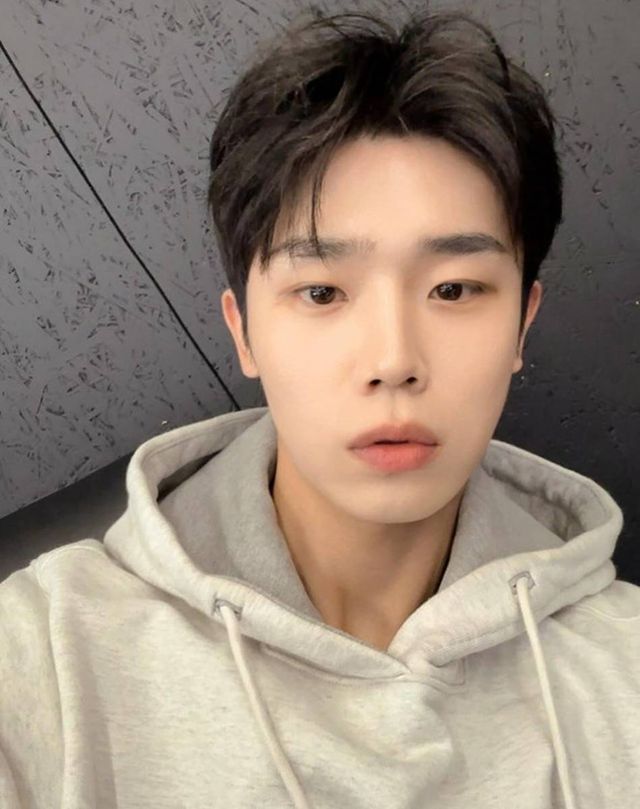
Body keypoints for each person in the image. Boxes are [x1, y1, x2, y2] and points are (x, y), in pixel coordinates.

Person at [1, 7, 638, 809]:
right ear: (244, 332)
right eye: (322, 292)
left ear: (522, 323)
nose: (393, 360)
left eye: (453, 289)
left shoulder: (623, 670)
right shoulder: (45, 657)